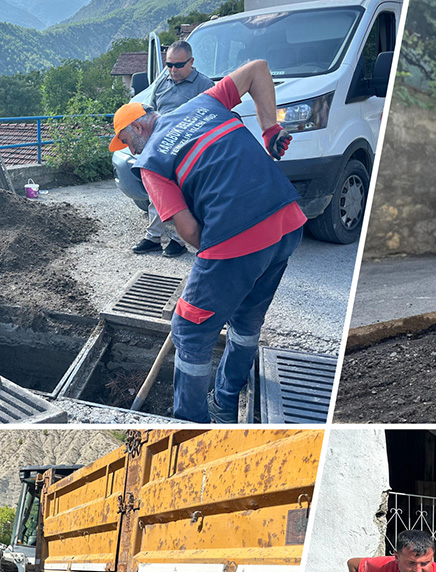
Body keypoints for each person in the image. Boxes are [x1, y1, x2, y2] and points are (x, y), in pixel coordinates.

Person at [110, 59, 304, 424]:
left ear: (138, 125)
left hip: (236, 238)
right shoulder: (202, 104)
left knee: (189, 329)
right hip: (287, 220)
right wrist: (269, 129)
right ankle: (226, 400)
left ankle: (190, 420)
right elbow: (260, 69)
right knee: (246, 318)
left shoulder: (151, 161)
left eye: (124, 140)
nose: (128, 149)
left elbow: (188, 232)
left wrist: (215, 266)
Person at [128, 40, 212, 258]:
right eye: (169, 65)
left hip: (188, 151)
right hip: (161, 147)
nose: (173, 70)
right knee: (157, 193)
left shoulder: (204, 85)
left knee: (182, 195)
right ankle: (153, 237)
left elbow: (214, 118)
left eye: (178, 65)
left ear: (191, 62)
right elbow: (152, 111)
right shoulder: (163, 81)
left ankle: (178, 240)